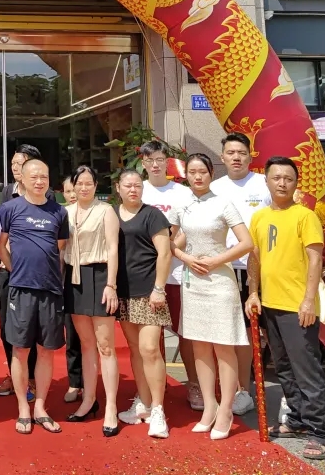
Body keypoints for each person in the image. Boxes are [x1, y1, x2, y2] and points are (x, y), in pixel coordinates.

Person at [245, 157, 325, 461]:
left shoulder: (305, 216)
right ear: (266, 180)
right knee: (283, 368)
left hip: (297, 307)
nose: (282, 183)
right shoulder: (259, 217)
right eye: (276, 177)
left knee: (306, 370)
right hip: (270, 304)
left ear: (296, 183)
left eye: (288, 178)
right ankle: (296, 420)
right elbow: (254, 258)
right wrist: (253, 293)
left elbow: (316, 259)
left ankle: (318, 432)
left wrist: (308, 300)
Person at [170, 154, 253, 441]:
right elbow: (170, 243)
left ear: (211, 174)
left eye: (202, 172)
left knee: (223, 347)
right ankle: (210, 406)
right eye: (192, 172)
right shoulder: (183, 206)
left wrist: (217, 260)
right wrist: (186, 258)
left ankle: (226, 409)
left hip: (220, 282)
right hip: (193, 283)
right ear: (186, 176)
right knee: (200, 347)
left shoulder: (223, 203)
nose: (197, 176)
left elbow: (247, 242)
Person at [0, 158, 68, 435]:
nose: (40, 181)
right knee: (20, 350)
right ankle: (22, 408)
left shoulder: (59, 212)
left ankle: (40, 407)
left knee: (47, 350)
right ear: (23, 180)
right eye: (34, 177)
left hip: (50, 290)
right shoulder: (9, 209)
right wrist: (14, 268)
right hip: (21, 289)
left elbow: (59, 247)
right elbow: (0, 245)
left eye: (44, 177)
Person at [210, 132, 271, 416]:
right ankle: (237, 389)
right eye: (231, 153)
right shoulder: (215, 188)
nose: (236, 157)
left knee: (256, 329)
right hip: (225, 268)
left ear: (251, 156)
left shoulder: (264, 184)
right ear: (222, 157)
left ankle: (249, 388)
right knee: (231, 329)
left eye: (241, 153)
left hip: (261, 267)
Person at [139, 140, 200, 409]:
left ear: (167, 162)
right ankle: (155, 388)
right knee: (151, 338)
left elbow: (189, 227)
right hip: (145, 276)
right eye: (149, 160)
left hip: (177, 274)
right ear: (143, 163)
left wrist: (169, 248)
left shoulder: (182, 193)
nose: (155, 164)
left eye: (159, 159)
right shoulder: (137, 189)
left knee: (186, 333)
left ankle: (194, 384)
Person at [113, 169, 172, 439]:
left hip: (149, 292)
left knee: (150, 349)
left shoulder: (152, 215)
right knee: (135, 350)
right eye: (128, 185)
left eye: (137, 185)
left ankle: (158, 409)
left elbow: (165, 253)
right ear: (118, 188)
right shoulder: (112, 214)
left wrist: (159, 288)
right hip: (123, 292)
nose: (133, 189)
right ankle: (144, 403)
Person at [63, 166, 121, 436]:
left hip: (99, 276)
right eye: (80, 183)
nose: (84, 188)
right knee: (86, 344)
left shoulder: (105, 211)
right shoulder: (66, 212)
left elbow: (112, 248)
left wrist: (111, 285)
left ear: (96, 186)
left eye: (89, 183)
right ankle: (89, 399)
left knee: (105, 346)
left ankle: (111, 406)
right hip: (74, 279)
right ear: (73, 187)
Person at [0, 144, 40, 398]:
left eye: (19, 163)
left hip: (31, 271)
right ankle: (14, 375)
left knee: (29, 326)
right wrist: (5, 258)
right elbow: (2, 229)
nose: (14, 168)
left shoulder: (42, 193)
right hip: (8, 267)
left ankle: (30, 378)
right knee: (5, 325)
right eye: (12, 164)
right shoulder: (8, 191)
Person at [60, 175, 84, 404]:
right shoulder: (61, 215)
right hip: (67, 276)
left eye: (75, 189)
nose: (72, 195)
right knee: (72, 335)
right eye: (68, 191)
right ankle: (75, 382)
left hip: (91, 274)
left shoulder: (98, 212)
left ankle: (93, 384)